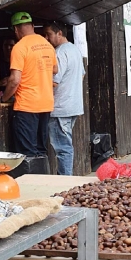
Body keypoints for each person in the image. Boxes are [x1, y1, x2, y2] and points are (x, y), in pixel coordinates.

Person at [1, 12, 57, 162]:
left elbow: (14, 80)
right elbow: (55, 69)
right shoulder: (47, 45)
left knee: (27, 153)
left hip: (27, 106)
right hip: (45, 105)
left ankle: (29, 183)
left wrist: (4, 97)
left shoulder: (19, 47)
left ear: (16, 30)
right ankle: (43, 183)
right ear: (32, 26)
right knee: (40, 150)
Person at [44, 21, 84, 176]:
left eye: (49, 34)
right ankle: (65, 178)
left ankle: (65, 180)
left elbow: (54, 81)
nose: (47, 38)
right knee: (65, 146)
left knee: (63, 148)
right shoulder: (75, 50)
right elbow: (81, 76)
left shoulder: (59, 53)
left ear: (59, 33)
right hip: (73, 105)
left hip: (60, 107)